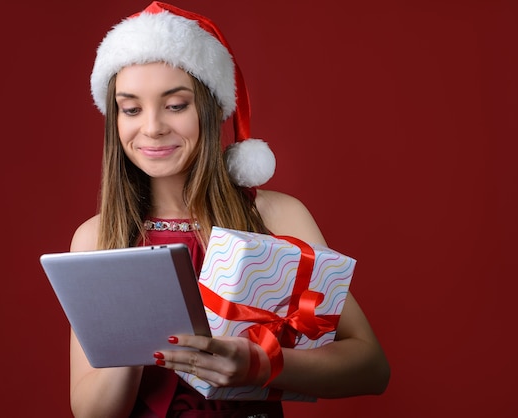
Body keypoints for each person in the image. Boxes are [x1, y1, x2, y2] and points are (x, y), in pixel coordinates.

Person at [69, 2, 390, 417]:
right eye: (131, 109)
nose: (151, 127)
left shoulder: (276, 217)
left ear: (208, 109)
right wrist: (134, 329)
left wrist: (259, 364)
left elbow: (371, 367)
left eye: (175, 104)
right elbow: (90, 412)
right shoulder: (96, 239)